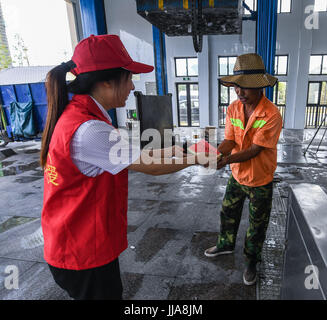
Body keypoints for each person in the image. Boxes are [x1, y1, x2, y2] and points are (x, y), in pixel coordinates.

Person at [40, 34, 216, 300]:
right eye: (129, 78)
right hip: (82, 251)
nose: (133, 86)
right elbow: (150, 165)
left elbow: (138, 154)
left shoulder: (82, 117)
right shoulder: (90, 130)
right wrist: (200, 158)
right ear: (107, 82)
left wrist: (185, 150)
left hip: (75, 242)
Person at [204, 53, 283, 286]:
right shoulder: (233, 110)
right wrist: (217, 153)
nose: (240, 92)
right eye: (237, 86)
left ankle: (251, 261)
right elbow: (230, 140)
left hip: (260, 180)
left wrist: (225, 161)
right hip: (237, 176)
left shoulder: (271, 115)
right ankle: (226, 244)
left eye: (245, 87)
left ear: (259, 86)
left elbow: (256, 149)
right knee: (228, 213)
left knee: (257, 225)